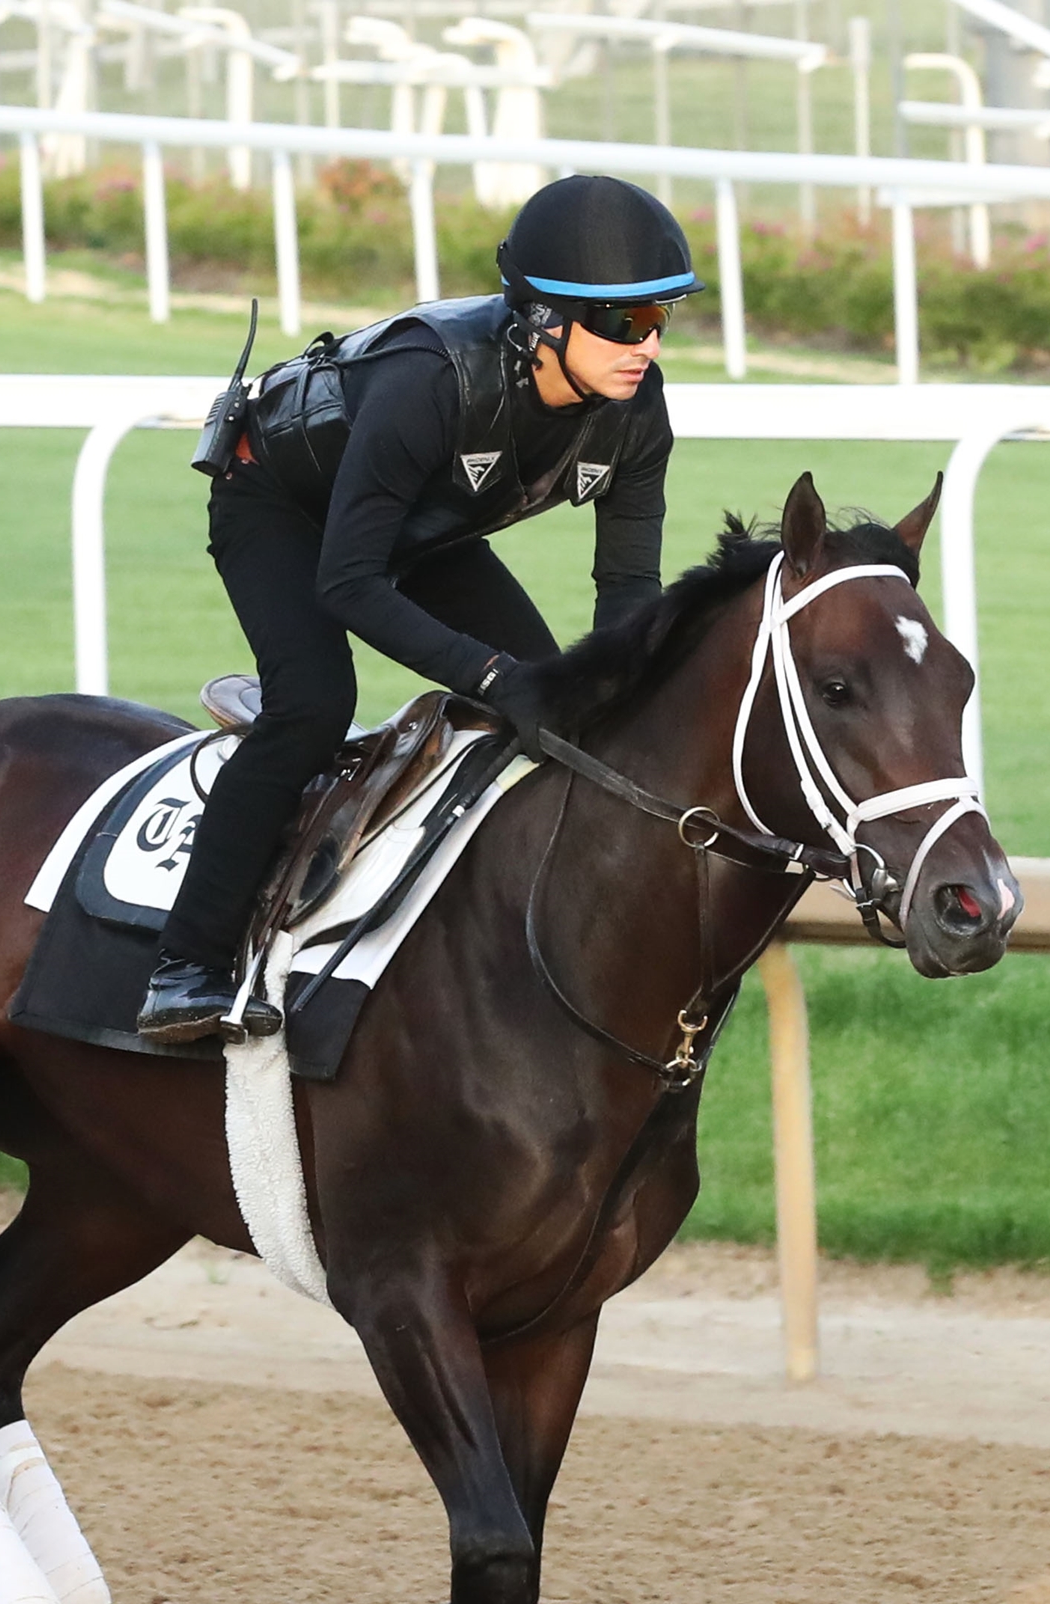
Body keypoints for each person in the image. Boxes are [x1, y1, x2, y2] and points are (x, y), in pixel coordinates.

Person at [136, 173, 700, 1046]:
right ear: (544, 319)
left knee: (567, 714)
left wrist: (633, 695)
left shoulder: (637, 408)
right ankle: (185, 965)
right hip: (281, 505)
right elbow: (348, 582)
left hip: (424, 527)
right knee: (314, 704)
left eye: (662, 318)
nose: (649, 347)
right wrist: (489, 673)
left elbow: (629, 591)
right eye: (626, 324)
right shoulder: (428, 380)